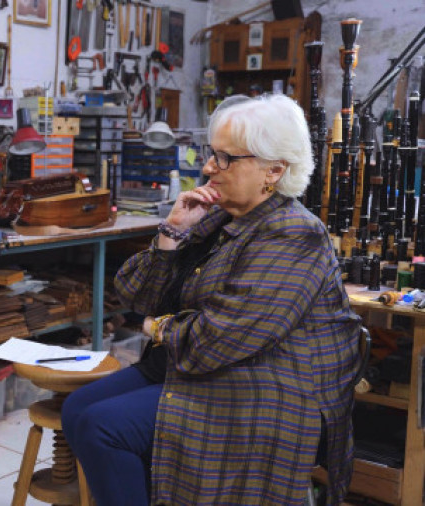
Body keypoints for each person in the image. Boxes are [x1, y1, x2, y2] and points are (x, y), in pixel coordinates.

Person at [61, 94, 361, 505]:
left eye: (225, 158)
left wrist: (156, 327)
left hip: (262, 385)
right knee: (76, 409)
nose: (207, 168)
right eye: (211, 154)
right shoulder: (221, 217)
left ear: (273, 170)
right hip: (196, 364)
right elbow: (135, 295)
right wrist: (171, 232)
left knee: (101, 427)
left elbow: (216, 339)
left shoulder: (294, 235)